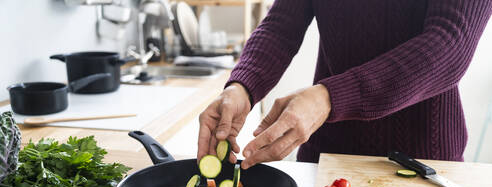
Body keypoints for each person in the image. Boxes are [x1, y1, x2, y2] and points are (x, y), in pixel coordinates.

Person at [197, 0, 492, 170]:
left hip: (424, 165)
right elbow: (281, 25)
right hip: (325, 161)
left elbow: (450, 43)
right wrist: (241, 87)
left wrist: (330, 97)